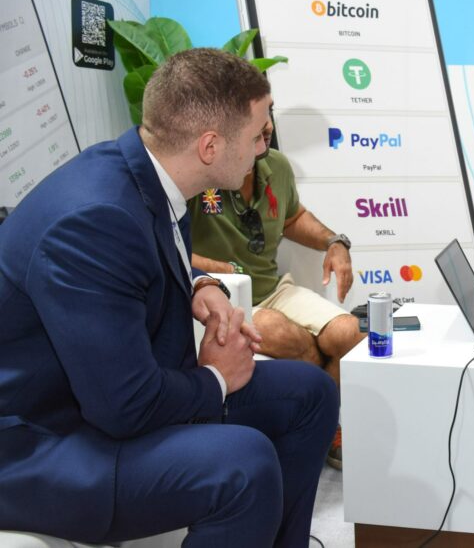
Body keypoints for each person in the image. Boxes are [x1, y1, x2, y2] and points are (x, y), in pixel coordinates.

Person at [0, 48, 338, 546]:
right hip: (40, 444)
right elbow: (125, 408)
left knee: (310, 393)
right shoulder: (96, 221)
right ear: (210, 145)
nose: (262, 150)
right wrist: (217, 378)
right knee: (242, 465)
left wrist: (202, 285)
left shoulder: (148, 171)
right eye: (256, 136)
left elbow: (142, 261)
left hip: (97, 402)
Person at [188, 113, 362, 470]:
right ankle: (321, 425)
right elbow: (166, 241)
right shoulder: (203, 168)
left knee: (350, 334)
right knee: (280, 332)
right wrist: (211, 268)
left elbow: (293, 218)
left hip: (274, 288)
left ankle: (321, 427)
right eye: (257, 130)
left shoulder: (276, 165)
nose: (266, 136)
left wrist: (335, 241)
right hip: (225, 298)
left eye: (268, 124)